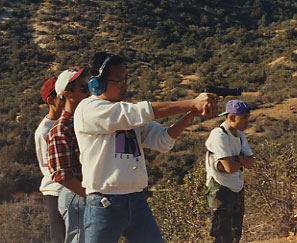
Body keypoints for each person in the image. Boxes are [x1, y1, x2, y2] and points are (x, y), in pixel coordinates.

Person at [73, 52, 219, 243]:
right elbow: (139, 112)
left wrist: (191, 113)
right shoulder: (89, 109)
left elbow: (162, 139)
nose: (124, 85)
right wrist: (191, 103)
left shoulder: (125, 112)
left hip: (136, 199)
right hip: (104, 201)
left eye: (126, 79)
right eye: (119, 80)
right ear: (97, 83)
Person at [47, 68, 89, 243]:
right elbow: (62, 175)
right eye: (83, 88)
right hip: (78, 195)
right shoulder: (61, 129)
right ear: (68, 94)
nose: (89, 92)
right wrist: (89, 195)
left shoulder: (84, 122)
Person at [205, 100, 255, 243]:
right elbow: (229, 168)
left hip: (237, 187)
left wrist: (235, 159)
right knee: (220, 235)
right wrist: (240, 161)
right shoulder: (218, 135)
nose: (247, 121)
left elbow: (251, 161)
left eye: (247, 117)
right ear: (232, 117)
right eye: (244, 117)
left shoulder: (240, 135)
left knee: (235, 234)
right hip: (220, 189)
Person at [34, 76, 65, 243]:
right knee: (60, 238)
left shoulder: (70, 122)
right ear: (51, 100)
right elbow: (48, 166)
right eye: (62, 97)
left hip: (74, 190)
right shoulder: (43, 131)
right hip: (55, 191)